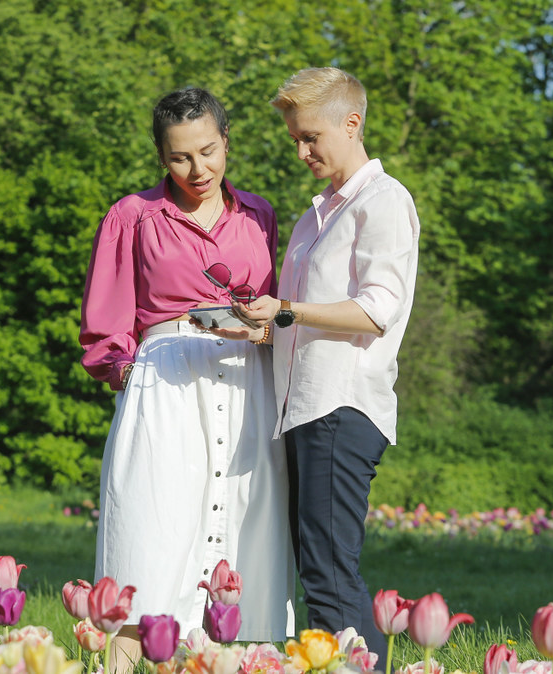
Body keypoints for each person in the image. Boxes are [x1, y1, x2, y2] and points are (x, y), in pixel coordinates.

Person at [79, 87, 295, 670]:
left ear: (227, 141)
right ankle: (124, 661)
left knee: (241, 522)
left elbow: (270, 307)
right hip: (167, 378)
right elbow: (105, 321)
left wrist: (259, 333)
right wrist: (133, 376)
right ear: (160, 157)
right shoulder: (133, 216)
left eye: (208, 151)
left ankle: (226, 660)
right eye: (180, 157)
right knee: (152, 522)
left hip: (246, 378)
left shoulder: (259, 214)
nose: (198, 170)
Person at [230, 67, 420, 669]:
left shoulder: (382, 202)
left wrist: (285, 310)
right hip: (304, 407)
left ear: (352, 123)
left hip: (341, 406)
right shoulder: (318, 216)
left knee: (331, 570)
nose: (302, 150)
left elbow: (375, 310)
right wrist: (264, 328)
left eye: (311, 136)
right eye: (294, 139)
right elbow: (303, 322)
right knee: (318, 566)